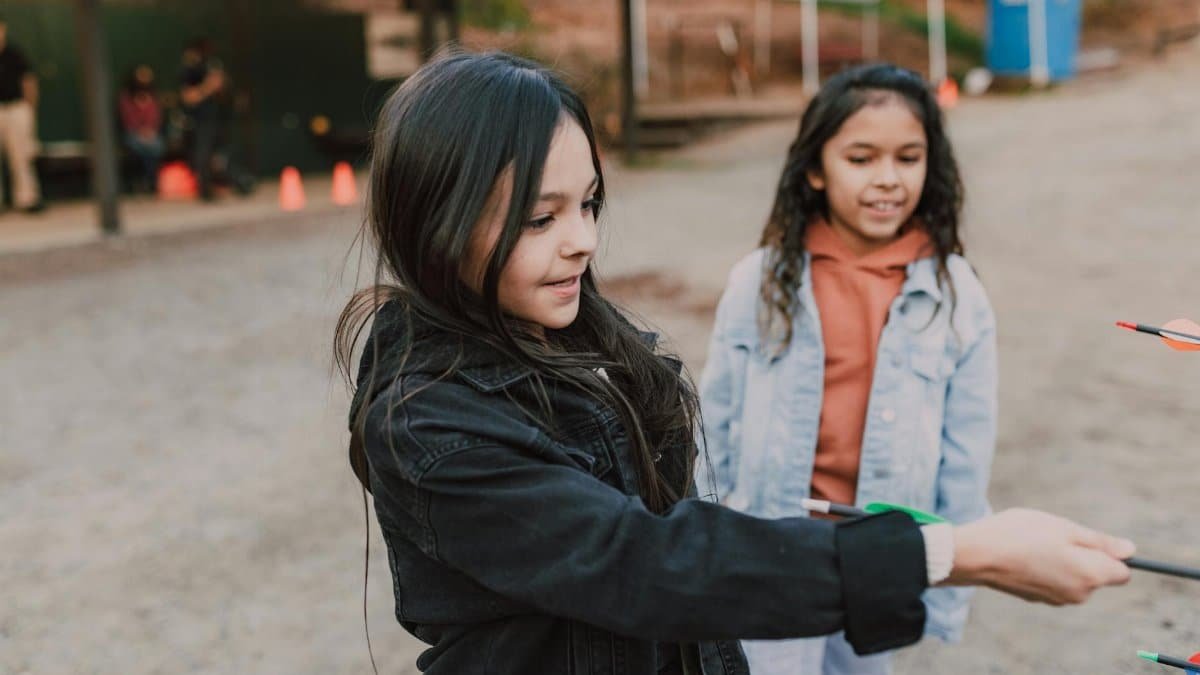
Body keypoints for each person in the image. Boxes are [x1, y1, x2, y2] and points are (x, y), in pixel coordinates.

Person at [334, 51, 1134, 675]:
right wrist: (962, 553)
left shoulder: (565, 327)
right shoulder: (428, 421)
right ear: (435, 219)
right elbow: (647, 562)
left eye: (588, 205)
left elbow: (689, 529)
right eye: (541, 216)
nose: (581, 238)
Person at [698, 63, 995, 674]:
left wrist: (951, 579)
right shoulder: (758, 281)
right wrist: (710, 552)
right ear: (814, 169)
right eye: (861, 159)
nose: (887, 180)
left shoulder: (957, 296)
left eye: (908, 158)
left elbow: (966, 456)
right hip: (771, 550)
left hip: (879, 556)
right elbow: (714, 429)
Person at [0, 15, 43, 213]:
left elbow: (29, 82)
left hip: (16, 108)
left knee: (21, 157)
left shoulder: (15, 54)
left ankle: (27, 199)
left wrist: (29, 109)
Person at [118, 65, 165, 194]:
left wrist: (150, 132)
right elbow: (127, 118)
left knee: (156, 146)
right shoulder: (126, 96)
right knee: (140, 147)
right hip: (132, 134)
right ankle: (145, 181)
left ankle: (150, 182)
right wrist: (140, 132)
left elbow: (156, 117)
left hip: (151, 134)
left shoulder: (153, 96)